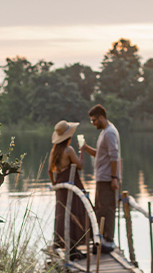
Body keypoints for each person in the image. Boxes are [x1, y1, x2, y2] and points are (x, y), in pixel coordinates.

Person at [48, 120, 88, 260]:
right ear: (68, 137)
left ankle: (65, 245)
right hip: (71, 185)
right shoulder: (68, 150)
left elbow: (49, 171)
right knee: (75, 212)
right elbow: (80, 165)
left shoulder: (54, 151)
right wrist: (82, 151)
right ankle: (73, 248)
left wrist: (55, 184)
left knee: (62, 213)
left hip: (60, 187)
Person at [83, 104, 121, 244]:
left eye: (94, 120)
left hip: (107, 178)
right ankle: (102, 238)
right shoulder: (104, 132)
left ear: (101, 117)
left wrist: (114, 178)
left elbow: (114, 156)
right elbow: (101, 155)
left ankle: (108, 240)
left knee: (107, 209)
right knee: (99, 209)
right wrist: (86, 148)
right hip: (101, 178)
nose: (93, 124)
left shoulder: (110, 132)